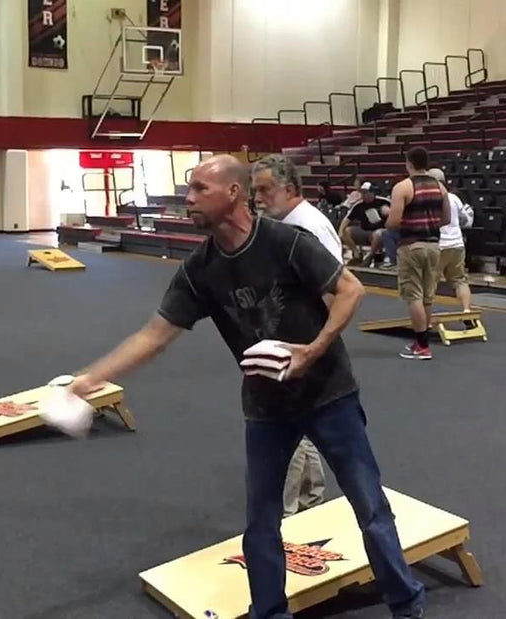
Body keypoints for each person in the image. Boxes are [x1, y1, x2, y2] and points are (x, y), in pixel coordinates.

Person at [69, 155, 426, 619]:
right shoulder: (200, 269)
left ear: (234, 193)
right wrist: (93, 377)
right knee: (261, 522)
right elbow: (153, 335)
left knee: (369, 506)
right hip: (266, 407)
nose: (189, 199)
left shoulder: (284, 242)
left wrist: (313, 350)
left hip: (328, 394)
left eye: (200, 189)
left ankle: (406, 602)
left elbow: (351, 289)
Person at [251, 154, 343, 518]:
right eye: (255, 190)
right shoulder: (284, 224)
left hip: (307, 343)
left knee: (286, 425)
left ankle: (287, 514)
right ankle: (310, 497)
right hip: (289, 339)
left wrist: (318, 346)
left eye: (265, 190)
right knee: (301, 422)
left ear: (289, 189)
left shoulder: (308, 227)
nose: (258, 198)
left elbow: (337, 291)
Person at [387, 148, 450, 360]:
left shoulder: (403, 187)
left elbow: (393, 222)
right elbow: (447, 219)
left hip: (411, 245)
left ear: (409, 163)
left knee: (413, 295)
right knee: (427, 296)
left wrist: (389, 219)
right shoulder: (440, 187)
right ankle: (422, 342)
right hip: (434, 245)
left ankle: (422, 346)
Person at [429, 168, 473, 315]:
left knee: (430, 281)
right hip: (457, 244)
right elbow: (465, 219)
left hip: (439, 245)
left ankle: (427, 315)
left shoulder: (430, 199)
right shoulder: (454, 197)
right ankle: (466, 310)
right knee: (460, 280)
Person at [338, 182, 390, 265]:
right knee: (345, 231)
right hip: (364, 230)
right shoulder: (358, 205)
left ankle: (370, 257)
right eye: (362, 193)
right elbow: (346, 220)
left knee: (377, 234)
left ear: (372, 192)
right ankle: (356, 254)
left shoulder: (383, 202)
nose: (363, 195)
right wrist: (340, 232)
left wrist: (388, 212)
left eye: (365, 192)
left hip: (380, 231)